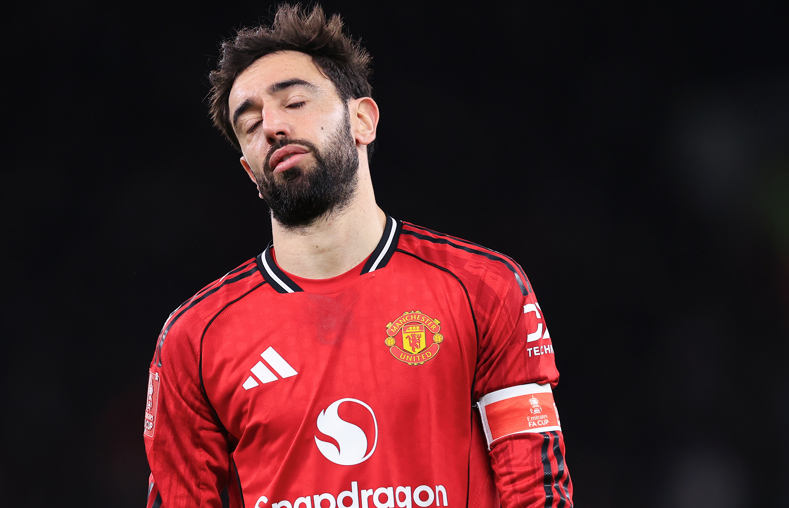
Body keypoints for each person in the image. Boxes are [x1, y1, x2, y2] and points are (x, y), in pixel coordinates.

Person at [144, 5, 572, 508]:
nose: (273, 126)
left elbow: (535, 491)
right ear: (249, 171)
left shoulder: (484, 288)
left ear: (363, 120)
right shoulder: (194, 340)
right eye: (251, 122)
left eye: (295, 102)